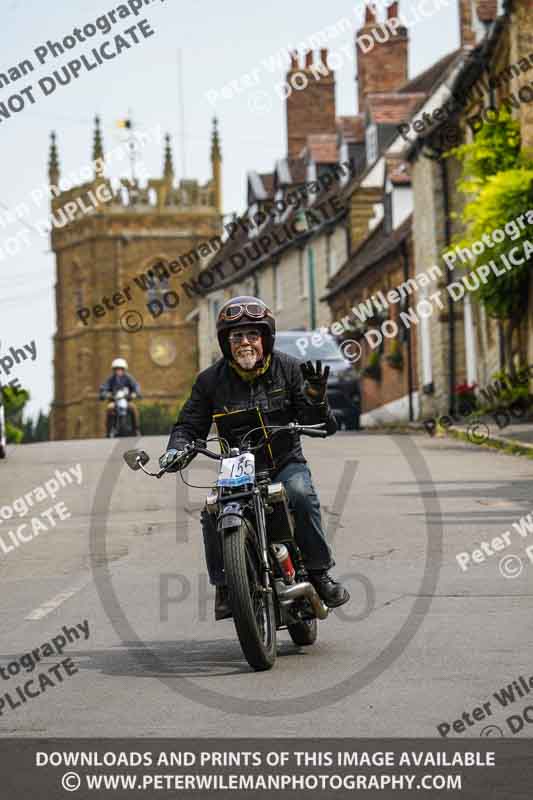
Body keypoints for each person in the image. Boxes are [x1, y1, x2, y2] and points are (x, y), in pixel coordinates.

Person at [159, 296, 350, 620]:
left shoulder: (288, 368)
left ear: (265, 338)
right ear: (226, 342)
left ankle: (319, 573)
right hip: (237, 470)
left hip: (284, 462)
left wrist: (317, 400)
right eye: (236, 337)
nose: (245, 342)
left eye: (252, 335)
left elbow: (324, 424)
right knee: (211, 511)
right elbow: (190, 424)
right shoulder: (210, 381)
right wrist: (177, 449)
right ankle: (225, 585)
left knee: (301, 495)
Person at [99, 358, 141, 436]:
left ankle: (136, 429)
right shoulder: (110, 379)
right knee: (109, 408)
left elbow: (136, 385)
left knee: (133, 408)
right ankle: (108, 430)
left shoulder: (128, 378)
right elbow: (104, 387)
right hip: (114, 401)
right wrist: (104, 393)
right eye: (117, 369)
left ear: (124, 370)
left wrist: (136, 393)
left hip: (126, 400)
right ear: (114, 370)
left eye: (121, 369)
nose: (119, 371)